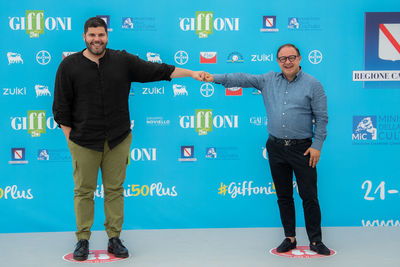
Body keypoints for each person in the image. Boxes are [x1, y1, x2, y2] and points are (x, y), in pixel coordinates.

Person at [52, 17, 206, 261]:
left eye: (101, 35)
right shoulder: (69, 65)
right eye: (92, 35)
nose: (96, 40)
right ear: (84, 37)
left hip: (118, 138)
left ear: (107, 36)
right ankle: (83, 240)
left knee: (114, 190)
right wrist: (72, 141)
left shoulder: (121, 60)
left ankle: (114, 238)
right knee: (83, 191)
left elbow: (158, 71)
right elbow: (61, 107)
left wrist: (191, 73)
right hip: (83, 141)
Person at [203, 44, 330, 255]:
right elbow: (240, 78)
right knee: (283, 196)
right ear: (277, 61)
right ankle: (289, 238)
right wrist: (213, 77)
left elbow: (322, 118)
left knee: (309, 196)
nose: (287, 62)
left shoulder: (313, 84)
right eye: (282, 58)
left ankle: (315, 241)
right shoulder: (268, 80)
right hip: (276, 148)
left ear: (299, 59)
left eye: (291, 57)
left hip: (303, 150)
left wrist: (317, 145)